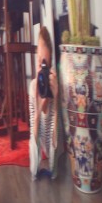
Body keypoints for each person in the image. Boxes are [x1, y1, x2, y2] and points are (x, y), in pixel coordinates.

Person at [29, 25, 62, 179]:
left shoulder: (55, 85)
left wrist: (55, 100)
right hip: (42, 143)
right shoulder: (33, 87)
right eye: (39, 64)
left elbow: (53, 169)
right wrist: (37, 111)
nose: (42, 72)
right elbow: (33, 170)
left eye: (45, 66)